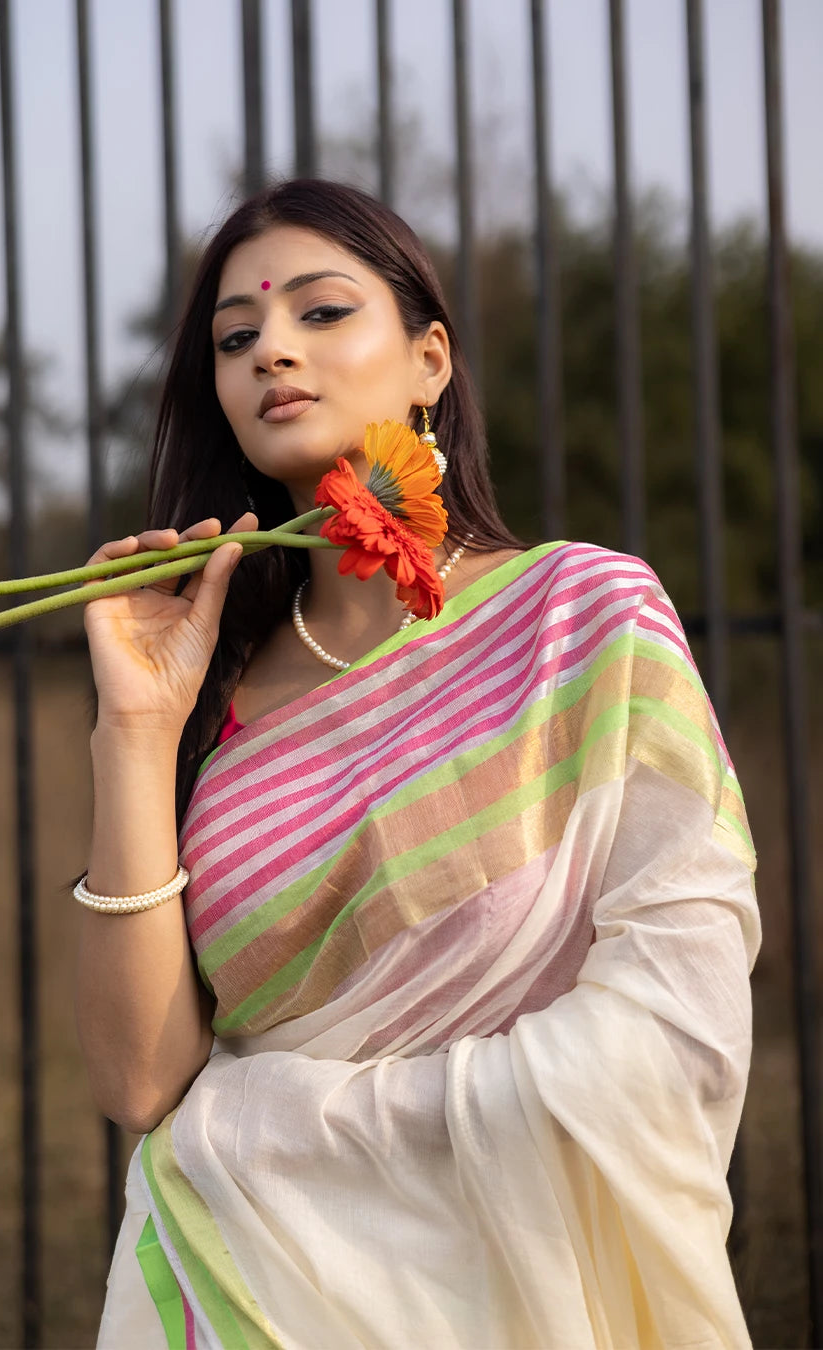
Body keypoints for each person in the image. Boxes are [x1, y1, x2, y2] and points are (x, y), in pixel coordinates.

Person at [76, 179, 760, 1350]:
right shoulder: (211, 707)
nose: (271, 350)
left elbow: (681, 1022)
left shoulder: (580, 615)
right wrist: (137, 729)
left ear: (429, 361)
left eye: (321, 312)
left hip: (527, 1292)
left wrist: (288, 1128)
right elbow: (142, 1084)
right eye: (236, 338)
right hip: (268, 1297)